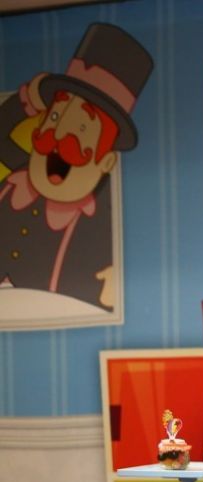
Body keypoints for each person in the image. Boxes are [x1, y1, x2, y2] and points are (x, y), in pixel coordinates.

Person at [0, 23, 153, 309]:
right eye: (55, 117)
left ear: (106, 161)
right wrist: (26, 102)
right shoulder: (16, 179)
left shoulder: (95, 227)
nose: (58, 138)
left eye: (81, 127)